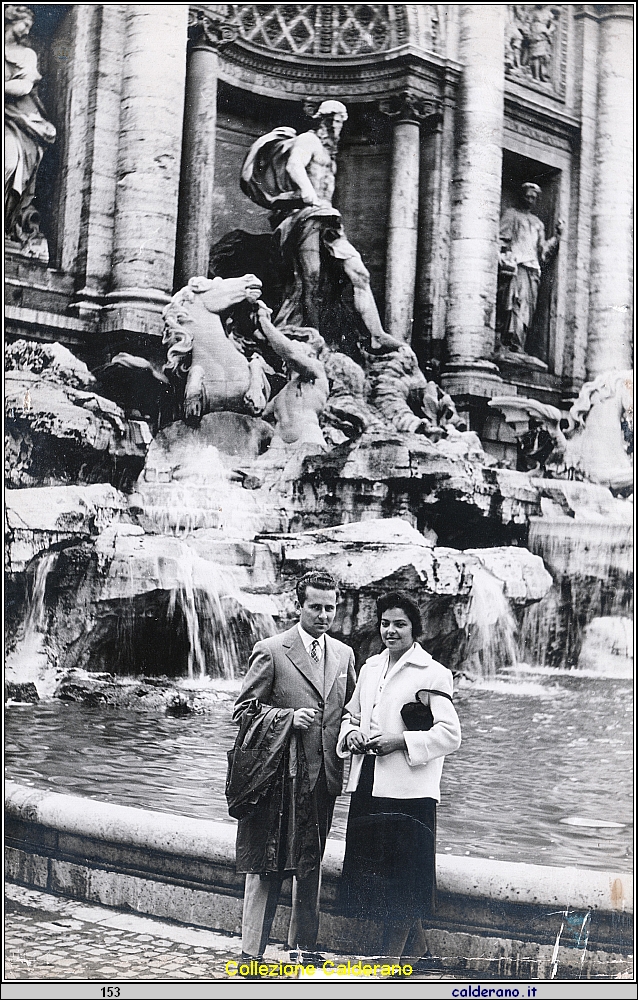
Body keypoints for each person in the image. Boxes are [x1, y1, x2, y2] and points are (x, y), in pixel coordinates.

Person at [232, 570, 356, 966]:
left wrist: (354, 732)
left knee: (310, 863)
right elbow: (243, 711)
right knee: (266, 862)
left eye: (330, 608)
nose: (324, 615)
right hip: (278, 777)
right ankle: (251, 953)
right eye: (315, 607)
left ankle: (302, 948)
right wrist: (287, 718)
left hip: (323, 777)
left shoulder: (344, 655)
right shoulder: (271, 650)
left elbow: (350, 710)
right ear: (298, 606)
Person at [338, 592, 461, 968]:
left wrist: (401, 741)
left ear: (415, 628)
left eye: (400, 624)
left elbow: (450, 735)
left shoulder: (433, 673)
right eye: (385, 623)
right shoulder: (371, 667)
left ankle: (389, 964)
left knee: (404, 881)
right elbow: (351, 715)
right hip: (369, 784)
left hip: (409, 793)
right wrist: (351, 734)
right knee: (381, 879)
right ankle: (419, 953)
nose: (391, 631)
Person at [241, 100, 387, 352]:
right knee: (311, 278)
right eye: (335, 121)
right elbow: (294, 164)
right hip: (305, 215)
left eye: (340, 122)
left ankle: (377, 334)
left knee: (359, 272)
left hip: (327, 217)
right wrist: (308, 192)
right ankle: (313, 337)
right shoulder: (309, 140)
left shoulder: (329, 154)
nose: (337, 128)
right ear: (324, 121)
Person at [5, 4, 56, 254]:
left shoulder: (27, 54)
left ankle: (7, 224)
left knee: (9, 164)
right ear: (10, 19)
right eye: (24, 25)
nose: (27, 31)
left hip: (19, 119)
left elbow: (23, 88)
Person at [497, 182, 562, 355]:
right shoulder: (511, 214)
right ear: (521, 196)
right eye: (527, 196)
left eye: (533, 197)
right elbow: (502, 239)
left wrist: (557, 236)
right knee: (515, 302)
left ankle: (519, 343)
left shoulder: (538, 223)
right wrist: (505, 258)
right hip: (518, 266)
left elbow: (543, 251)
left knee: (527, 307)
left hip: (533, 268)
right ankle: (509, 342)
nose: (530, 200)